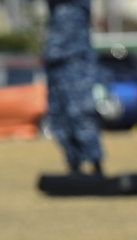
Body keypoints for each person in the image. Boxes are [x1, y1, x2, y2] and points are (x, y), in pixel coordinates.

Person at [42, 0, 105, 177]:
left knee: (81, 117)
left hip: (75, 66)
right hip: (56, 69)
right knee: (59, 118)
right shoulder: (56, 9)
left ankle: (96, 165)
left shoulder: (74, 7)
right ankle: (74, 164)